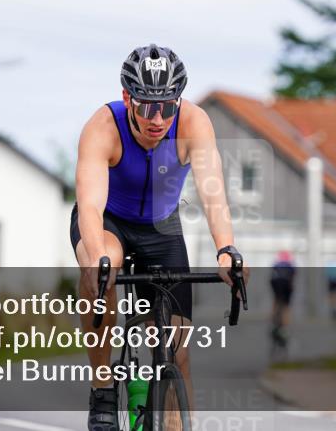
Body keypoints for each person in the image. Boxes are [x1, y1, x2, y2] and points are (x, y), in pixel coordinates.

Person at [71, 43, 244, 431]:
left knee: (176, 351)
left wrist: (226, 249)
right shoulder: (103, 127)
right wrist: (98, 258)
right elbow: (91, 206)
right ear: (127, 98)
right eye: (148, 106)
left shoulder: (194, 123)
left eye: (167, 106)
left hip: (161, 229)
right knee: (103, 265)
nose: (158, 118)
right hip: (108, 223)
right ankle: (102, 388)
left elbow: (213, 193)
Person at [269, 250, 296, 351]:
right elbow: (293, 276)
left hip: (275, 282)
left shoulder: (277, 262)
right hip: (286, 282)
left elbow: (272, 274)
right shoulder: (290, 263)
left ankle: (272, 322)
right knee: (286, 306)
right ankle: (285, 328)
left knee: (276, 300)